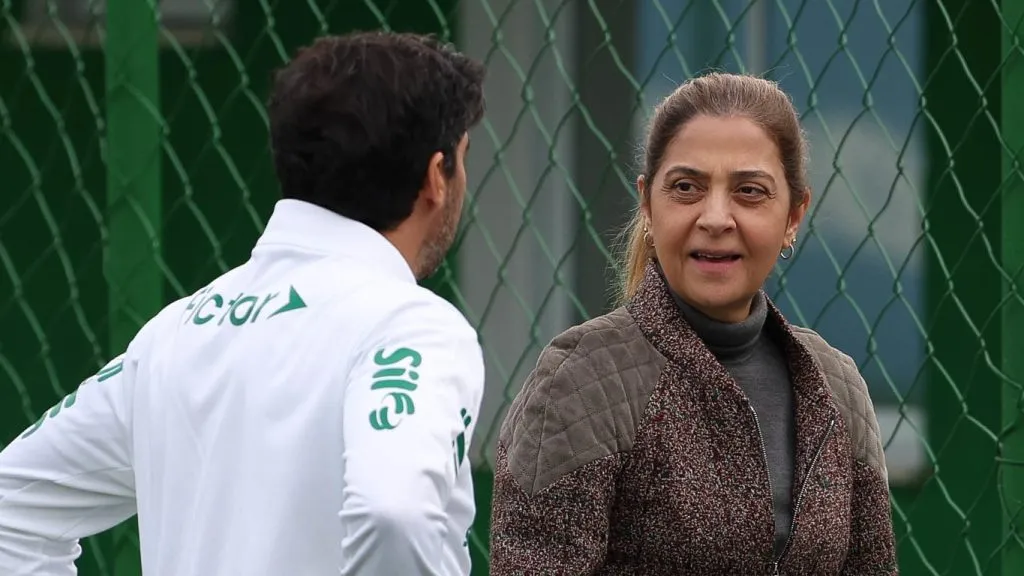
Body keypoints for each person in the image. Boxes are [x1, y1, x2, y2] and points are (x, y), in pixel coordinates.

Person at [0, 31, 487, 576]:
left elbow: (9, 510)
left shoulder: (175, 332)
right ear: (435, 177)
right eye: (464, 159)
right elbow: (394, 513)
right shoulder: (412, 326)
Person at [489, 72, 898, 575]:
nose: (715, 217)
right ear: (647, 202)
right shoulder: (582, 379)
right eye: (687, 187)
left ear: (794, 214)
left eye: (750, 191)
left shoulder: (836, 386)